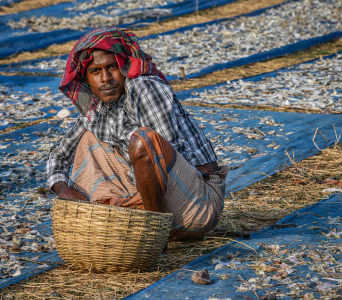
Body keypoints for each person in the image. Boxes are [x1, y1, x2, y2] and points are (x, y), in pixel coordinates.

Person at [47, 27, 227, 240]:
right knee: (87, 139)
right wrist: (63, 189)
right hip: (159, 202)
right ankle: (129, 216)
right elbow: (59, 155)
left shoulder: (143, 87)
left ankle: (154, 235)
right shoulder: (97, 108)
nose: (106, 78)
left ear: (123, 68)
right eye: (96, 72)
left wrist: (132, 200)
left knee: (143, 142)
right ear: (86, 79)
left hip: (197, 203)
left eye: (111, 67)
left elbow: (162, 156)